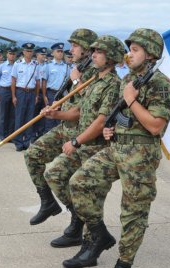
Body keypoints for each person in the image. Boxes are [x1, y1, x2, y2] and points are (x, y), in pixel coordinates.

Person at [64, 28, 170, 268]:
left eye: (135, 50)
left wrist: (131, 99)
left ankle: (124, 264)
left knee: (133, 212)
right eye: (130, 50)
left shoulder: (160, 84)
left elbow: (155, 126)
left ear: (151, 54)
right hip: (117, 148)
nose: (129, 55)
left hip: (140, 156)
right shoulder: (127, 81)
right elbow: (123, 117)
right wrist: (109, 130)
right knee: (80, 182)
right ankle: (99, 234)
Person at [42, 34, 123, 254]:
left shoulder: (114, 84)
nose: (93, 55)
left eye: (99, 52)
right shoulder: (95, 79)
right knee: (55, 175)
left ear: (111, 57)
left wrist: (76, 141)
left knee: (90, 195)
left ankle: (90, 245)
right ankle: (82, 223)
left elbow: (100, 121)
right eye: (93, 51)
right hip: (84, 144)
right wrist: (55, 115)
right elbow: (79, 111)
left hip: (96, 146)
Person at [11, 43, 41, 151]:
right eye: (27, 51)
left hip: (32, 93)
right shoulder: (17, 64)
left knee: (30, 118)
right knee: (19, 118)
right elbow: (13, 80)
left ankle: (27, 142)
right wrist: (14, 96)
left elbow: (38, 81)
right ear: (23, 52)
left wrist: (37, 95)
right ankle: (18, 142)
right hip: (20, 92)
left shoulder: (35, 65)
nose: (29, 53)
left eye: (31, 51)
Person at [42, 42, 71, 132]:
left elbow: (69, 82)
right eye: (58, 51)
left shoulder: (67, 67)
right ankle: (47, 139)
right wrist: (44, 96)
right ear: (53, 53)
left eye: (61, 51)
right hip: (51, 93)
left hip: (62, 94)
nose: (60, 53)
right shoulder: (48, 66)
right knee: (50, 117)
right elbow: (44, 82)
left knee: (60, 117)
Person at [0, 46, 18, 141]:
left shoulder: (18, 65)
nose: (12, 56)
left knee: (13, 115)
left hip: (15, 91)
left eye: (13, 54)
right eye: (10, 54)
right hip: (4, 90)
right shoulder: (1, 66)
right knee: (3, 114)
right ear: (7, 54)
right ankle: (3, 135)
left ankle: (10, 135)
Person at [32, 47, 48, 141]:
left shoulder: (47, 66)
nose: (43, 56)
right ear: (37, 55)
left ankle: (40, 133)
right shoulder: (34, 65)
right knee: (34, 114)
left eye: (44, 54)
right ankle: (33, 134)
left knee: (43, 114)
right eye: (42, 54)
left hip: (45, 91)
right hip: (35, 92)